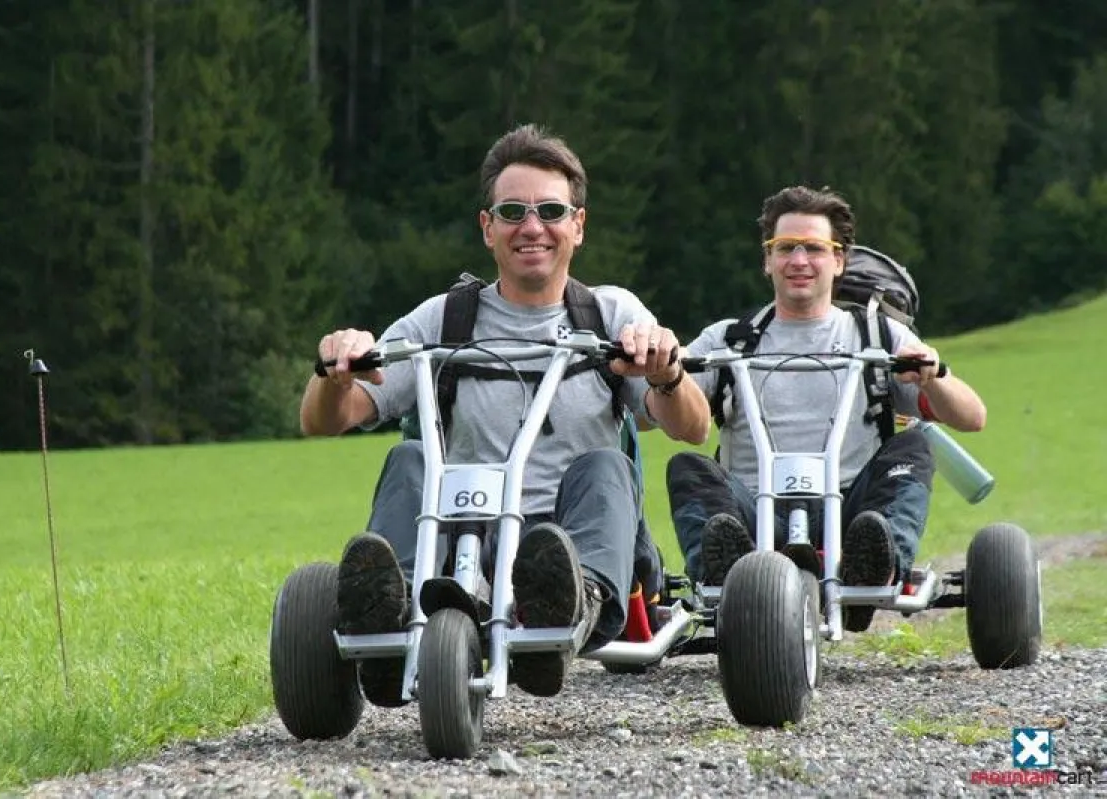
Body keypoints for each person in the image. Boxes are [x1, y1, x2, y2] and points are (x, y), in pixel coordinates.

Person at [300, 123, 710, 701]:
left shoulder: (611, 314)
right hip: (468, 534)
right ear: (488, 227)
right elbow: (323, 421)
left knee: (605, 465)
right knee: (410, 457)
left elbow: (692, 427)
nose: (532, 227)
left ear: (578, 225)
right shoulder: (443, 320)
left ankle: (569, 607)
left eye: (550, 210)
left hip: (573, 538)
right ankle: (388, 617)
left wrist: (666, 371)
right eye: (513, 211)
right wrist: (334, 370)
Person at [667, 185, 987, 632]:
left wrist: (935, 374)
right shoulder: (728, 340)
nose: (799, 261)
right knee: (688, 466)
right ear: (767, 259)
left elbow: (972, 417)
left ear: (839, 261)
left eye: (814, 248)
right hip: (753, 514)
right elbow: (670, 416)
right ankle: (729, 576)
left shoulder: (879, 337)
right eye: (785, 248)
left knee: (912, 446)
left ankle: (875, 566)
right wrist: (668, 376)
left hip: (854, 515)